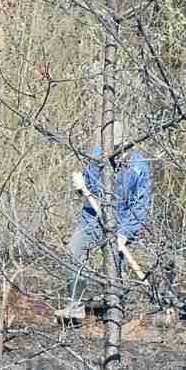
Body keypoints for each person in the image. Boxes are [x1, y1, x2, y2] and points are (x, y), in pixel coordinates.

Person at [55, 123, 151, 321]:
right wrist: (80, 184)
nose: (115, 154)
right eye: (111, 148)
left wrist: (124, 234)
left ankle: (115, 309)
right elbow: (88, 185)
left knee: (116, 265)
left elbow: (140, 207)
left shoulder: (139, 167)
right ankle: (75, 306)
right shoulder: (98, 154)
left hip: (122, 222)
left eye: (119, 148)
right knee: (74, 251)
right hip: (93, 218)